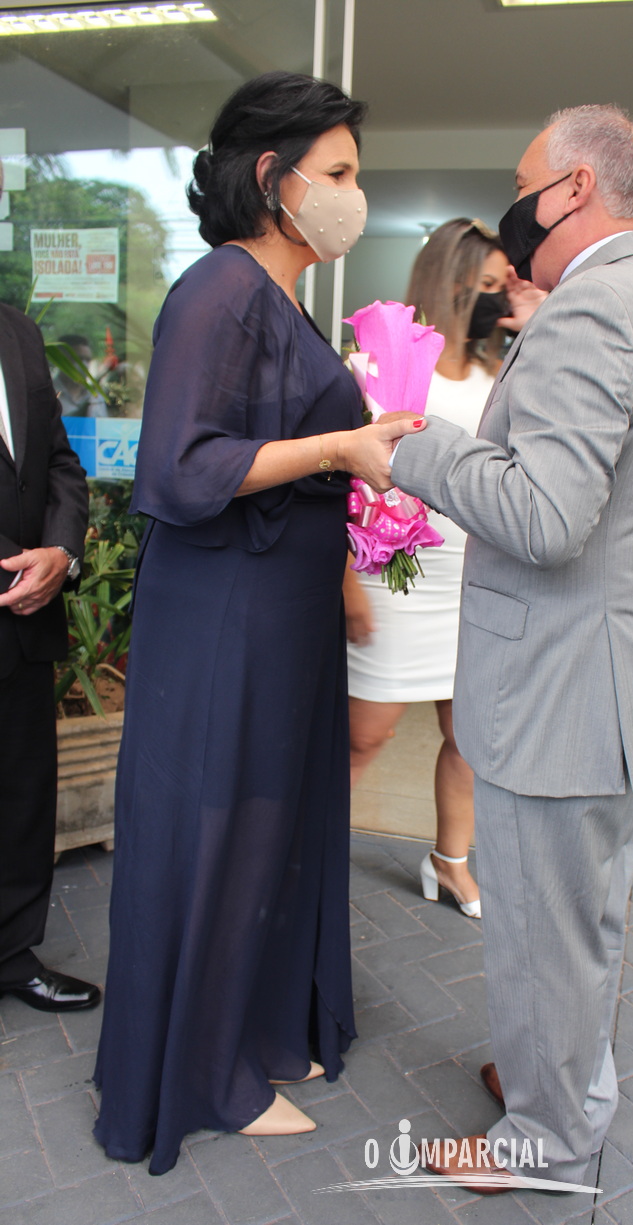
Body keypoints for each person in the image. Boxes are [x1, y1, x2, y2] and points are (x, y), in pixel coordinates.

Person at [357, 104, 633, 1191]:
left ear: (573, 190)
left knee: (540, 931)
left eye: (524, 187)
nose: (513, 208)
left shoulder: (593, 309)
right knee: (583, 920)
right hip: (620, 679)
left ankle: (545, 1140)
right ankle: (556, 1084)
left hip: (560, 688)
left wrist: (416, 451)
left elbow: (548, 517)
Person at [91, 71, 425, 1175]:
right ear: (275, 179)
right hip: (226, 614)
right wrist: (341, 449)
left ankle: (251, 1031)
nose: (354, 196)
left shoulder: (279, 298)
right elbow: (181, 466)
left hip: (277, 607)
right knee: (221, 830)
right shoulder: (221, 291)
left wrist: (358, 485)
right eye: (339, 174)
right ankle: (203, 1074)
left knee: (266, 828)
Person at [345, 219, 543, 918]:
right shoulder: (382, 366)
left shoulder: (501, 377)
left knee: (469, 738)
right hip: (391, 575)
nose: (495, 297)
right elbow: (340, 478)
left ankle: (450, 862)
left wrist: (535, 318)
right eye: (485, 284)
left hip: (472, 577)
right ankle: (305, 855)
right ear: (449, 282)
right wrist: (346, 581)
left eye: (501, 285)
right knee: (365, 734)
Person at [0, 301, 98, 1013]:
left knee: (22, 799)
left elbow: (59, 461)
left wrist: (61, 551)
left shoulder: (17, 330)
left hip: (25, 618)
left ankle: (11, 955)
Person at [52, 334, 109, 417]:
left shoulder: (95, 397)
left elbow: (102, 424)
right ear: (61, 360)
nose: (84, 365)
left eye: (87, 360)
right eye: (78, 359)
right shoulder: (48, 394)